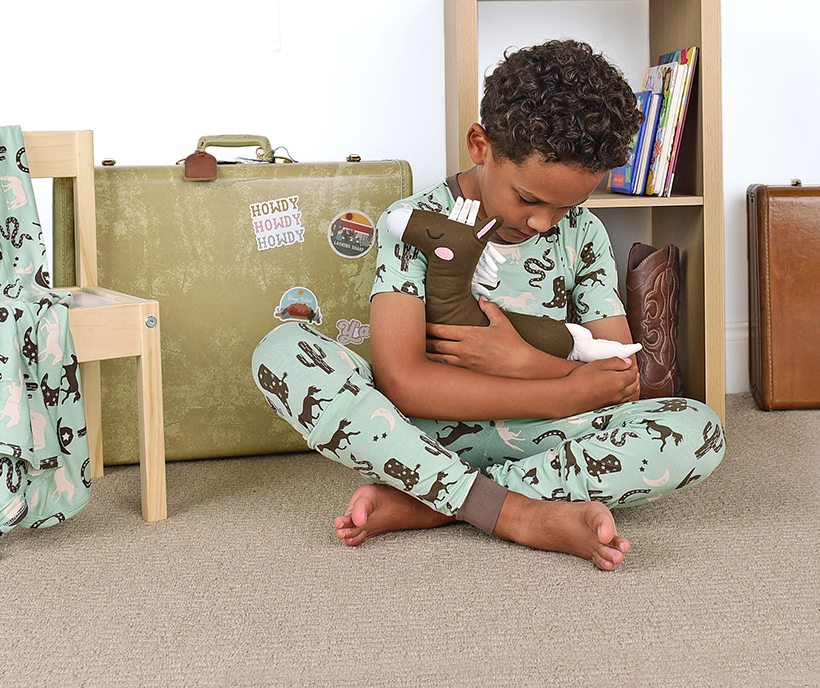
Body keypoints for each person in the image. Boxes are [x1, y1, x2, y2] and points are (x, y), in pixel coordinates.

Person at [252, 39, 724, 570]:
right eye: (529, 198)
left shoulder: (582, 234)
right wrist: (560, 391)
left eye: (569, 204)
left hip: (538, 438)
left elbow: (618, 375)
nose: (546, 221)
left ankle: (435, 502)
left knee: (699, 429)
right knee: (283, 350)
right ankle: (517, 513)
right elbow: (403, 380)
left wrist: (525, 363)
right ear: (481, 145)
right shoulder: (415, 222)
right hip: (419, 429)